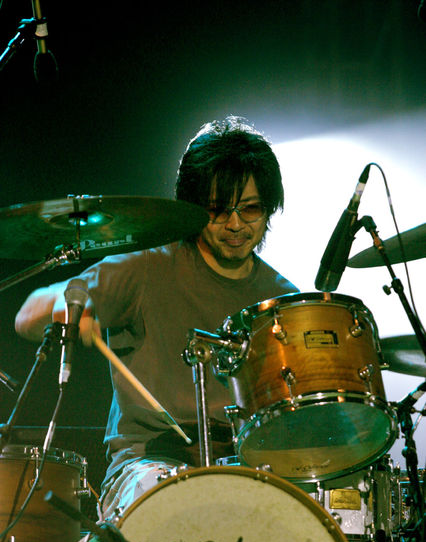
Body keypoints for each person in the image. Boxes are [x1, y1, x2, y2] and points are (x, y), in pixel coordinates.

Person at [15, 115, 299, 520]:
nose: (236, 224)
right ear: (193, 207)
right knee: (181, 505)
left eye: (250, 209)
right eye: (218, 210)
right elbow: (29, 313)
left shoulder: (282, 300)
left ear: (269, 207)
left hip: (248, 470)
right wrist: (63, 308)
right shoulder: (147, 269)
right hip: (147, 467)